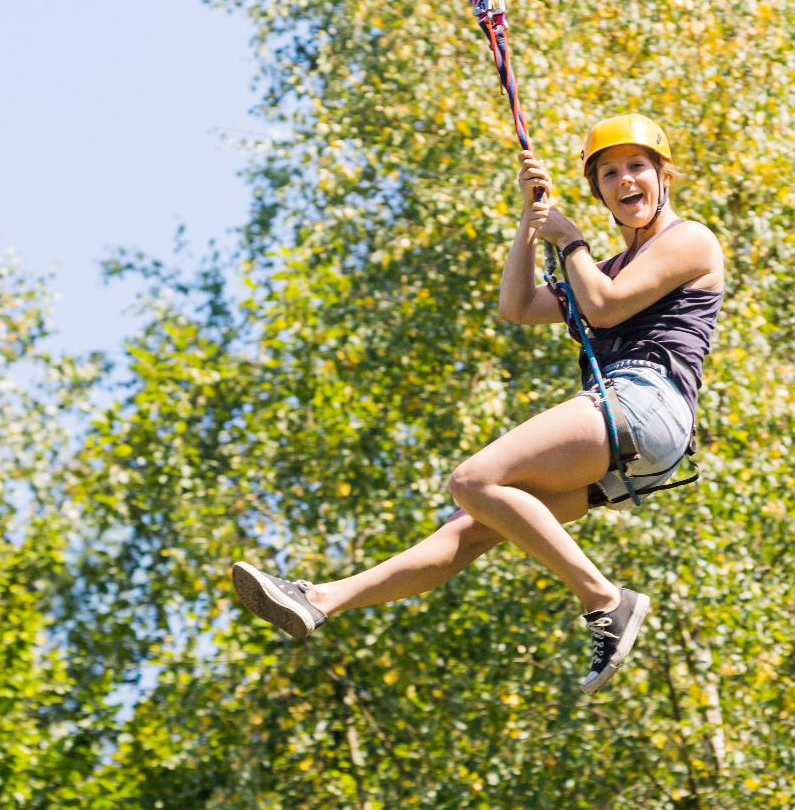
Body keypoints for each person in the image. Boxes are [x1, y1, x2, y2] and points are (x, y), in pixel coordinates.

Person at [230, 114, 725, 694]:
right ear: (599, 192)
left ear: (664, 175)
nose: (624, 181)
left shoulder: (689, 239)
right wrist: (530, 222)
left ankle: (604, 599)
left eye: (637, 167)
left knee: (474, 479)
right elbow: (516, 306)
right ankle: (320, 600)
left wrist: (569, 238)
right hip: (640, 442)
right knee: (472, 525)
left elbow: (607, 308)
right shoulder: (602, 267)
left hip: (646, 401)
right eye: (609, 173)